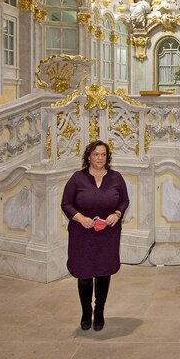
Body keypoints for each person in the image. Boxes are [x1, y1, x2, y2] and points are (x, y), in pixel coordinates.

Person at [61, 140, 130, 331]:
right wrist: (80, 218)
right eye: (96, 154)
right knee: (84, 274)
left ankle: (99, 311)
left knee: (102, 273)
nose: (100, 158)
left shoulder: (116, 178)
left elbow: (124, 200)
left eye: (103, 155)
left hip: (107, 234)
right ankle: (86, 311)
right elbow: (66, 204)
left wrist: (117, 214)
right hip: (82, 234)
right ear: (88, 157)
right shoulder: (77, 178)